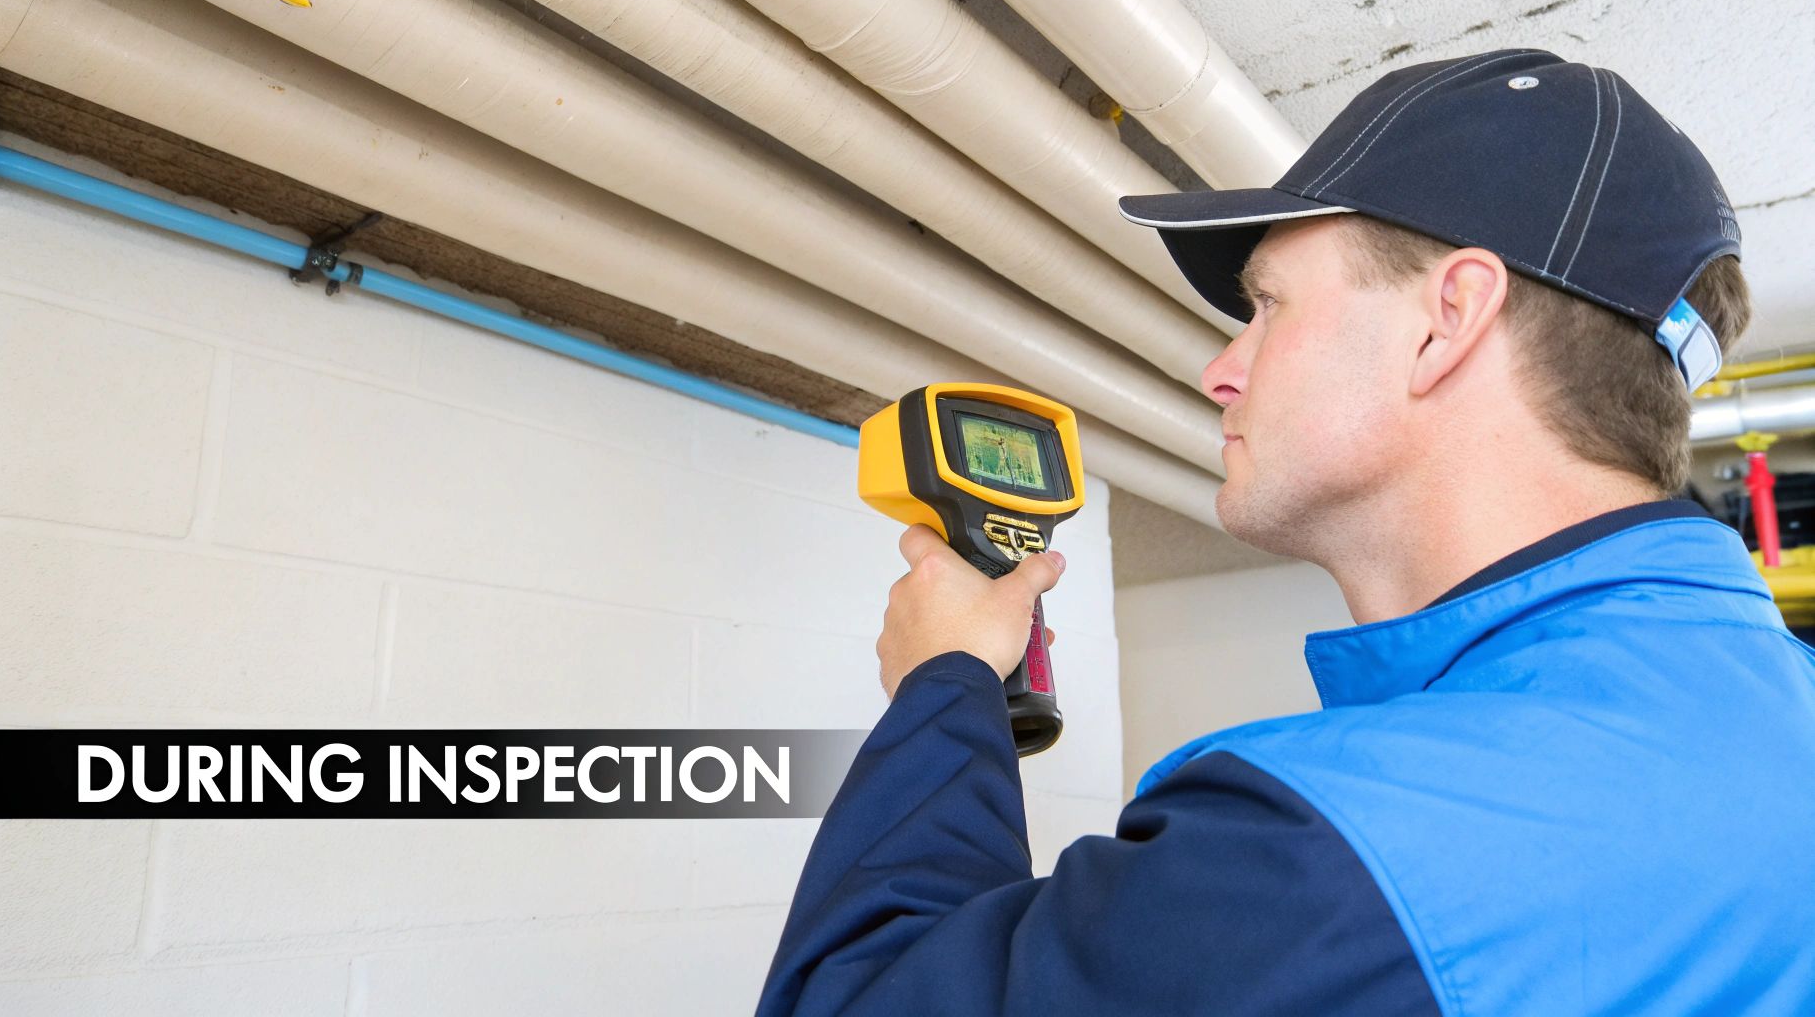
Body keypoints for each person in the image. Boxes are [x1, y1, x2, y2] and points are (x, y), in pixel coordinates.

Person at [755, 49, 1815, 1015]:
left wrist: (944, 685)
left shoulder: (1329, 845)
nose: (1221, 369)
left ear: (1444, 320)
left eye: (1268, 305)